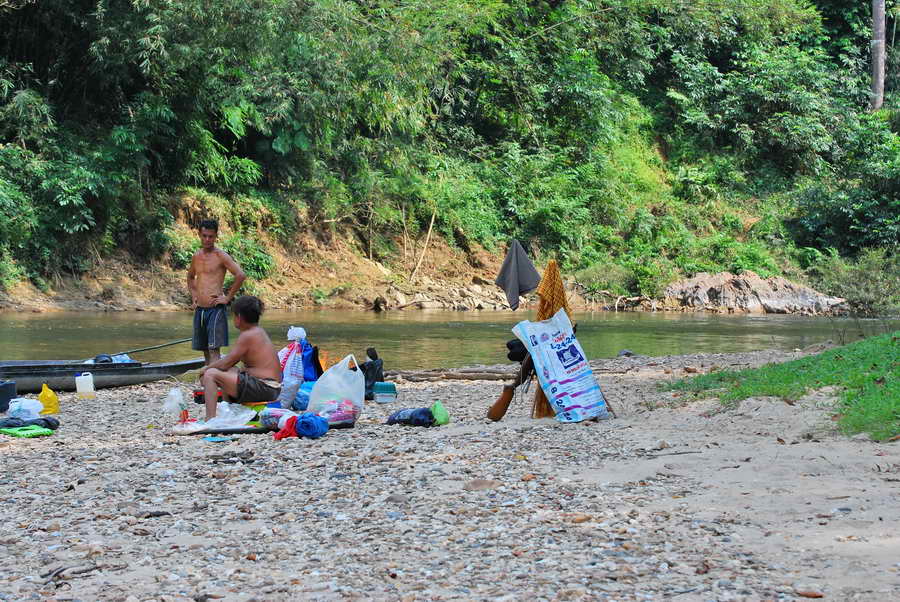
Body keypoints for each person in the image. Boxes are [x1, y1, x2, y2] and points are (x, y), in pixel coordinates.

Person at [198, 295, 282, 420]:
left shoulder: (248, 335)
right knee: (228, 371)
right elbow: (229, 364)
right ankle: (230, 410)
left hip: (264, 388)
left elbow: (225, 363)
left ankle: (210, 419)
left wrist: (205, 369)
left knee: (210, 374)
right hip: (270, 388)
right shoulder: (257, 331)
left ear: (239, 317)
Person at [187, 219, 246, 366]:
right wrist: (194, 296)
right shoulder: (196, 256)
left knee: (214, 349)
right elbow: (190, 277)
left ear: (215, 236)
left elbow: (240, 275)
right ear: (199, 234)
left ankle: (215, 380)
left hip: (215, 309)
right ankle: (208, 381)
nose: (207, 239)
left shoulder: (221, 256)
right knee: (205, 349)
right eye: (204, 235)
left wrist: (227, 298)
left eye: (211, 236)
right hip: (200, 309)